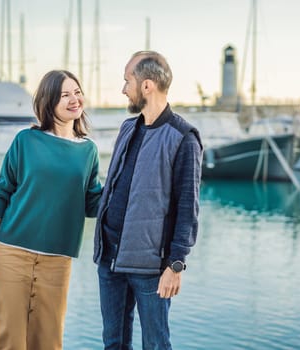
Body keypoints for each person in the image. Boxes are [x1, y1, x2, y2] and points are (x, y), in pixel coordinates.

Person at [0, 70, 102, 350]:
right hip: (12, 251)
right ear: (49, 102)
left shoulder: (89, 151)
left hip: (58, 260)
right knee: (9, 339)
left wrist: (130, 189)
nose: (74, 99)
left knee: (48, 341)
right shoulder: (26, 141)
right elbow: (1, 193)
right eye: (65, 95)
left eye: (77, 92)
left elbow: (93, 202)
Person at [93, 51, 203, 349]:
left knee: (155, 344)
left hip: (151, 268)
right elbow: (114, 188)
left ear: (146, 85)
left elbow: (187, 209)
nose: (123, 89)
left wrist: (176, 264)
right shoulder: (127, 127)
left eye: (127, 80)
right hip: (110, 258)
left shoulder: (183, 138)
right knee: (113, 342)